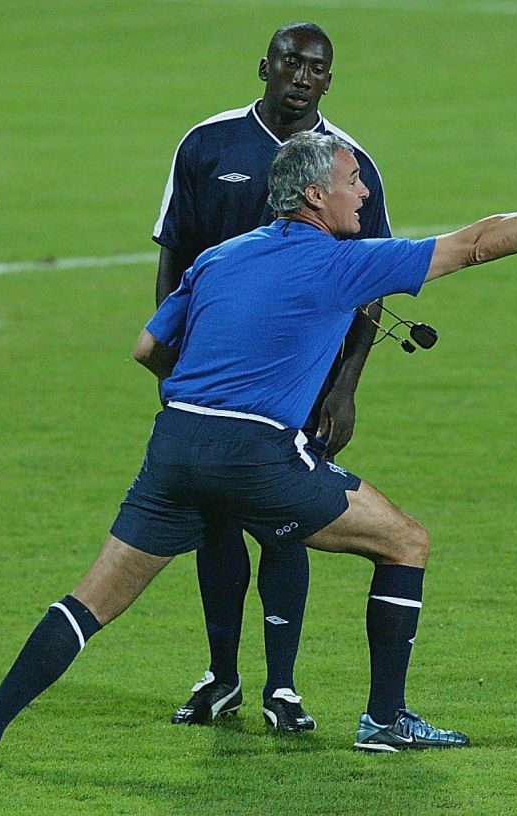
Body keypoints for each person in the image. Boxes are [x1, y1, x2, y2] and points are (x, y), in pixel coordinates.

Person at [0, 131, 517, 763]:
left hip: (174, 445)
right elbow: (477, 242)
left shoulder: (219, 258)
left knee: (92, 600)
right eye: (351, 179)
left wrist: (205, 403)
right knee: (405, 541)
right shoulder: (344, 262)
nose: (363, 191)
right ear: (312, 197)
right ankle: (385, 720)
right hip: (255, 455)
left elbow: (147, 346)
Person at [152, 22, 392, 732]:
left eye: (316, 67)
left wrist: (347, 385)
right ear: (265, 65)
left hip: (303, 381)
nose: (301, 74)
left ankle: (281, 687)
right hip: (213, 378)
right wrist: (172, 362)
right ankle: (221, 676)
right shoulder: (208, 145)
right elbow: (176, 255)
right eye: (290, 60)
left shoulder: (349, 163)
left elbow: (372, 279)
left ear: (328, 80)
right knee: (213, 522)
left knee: (287, 524)